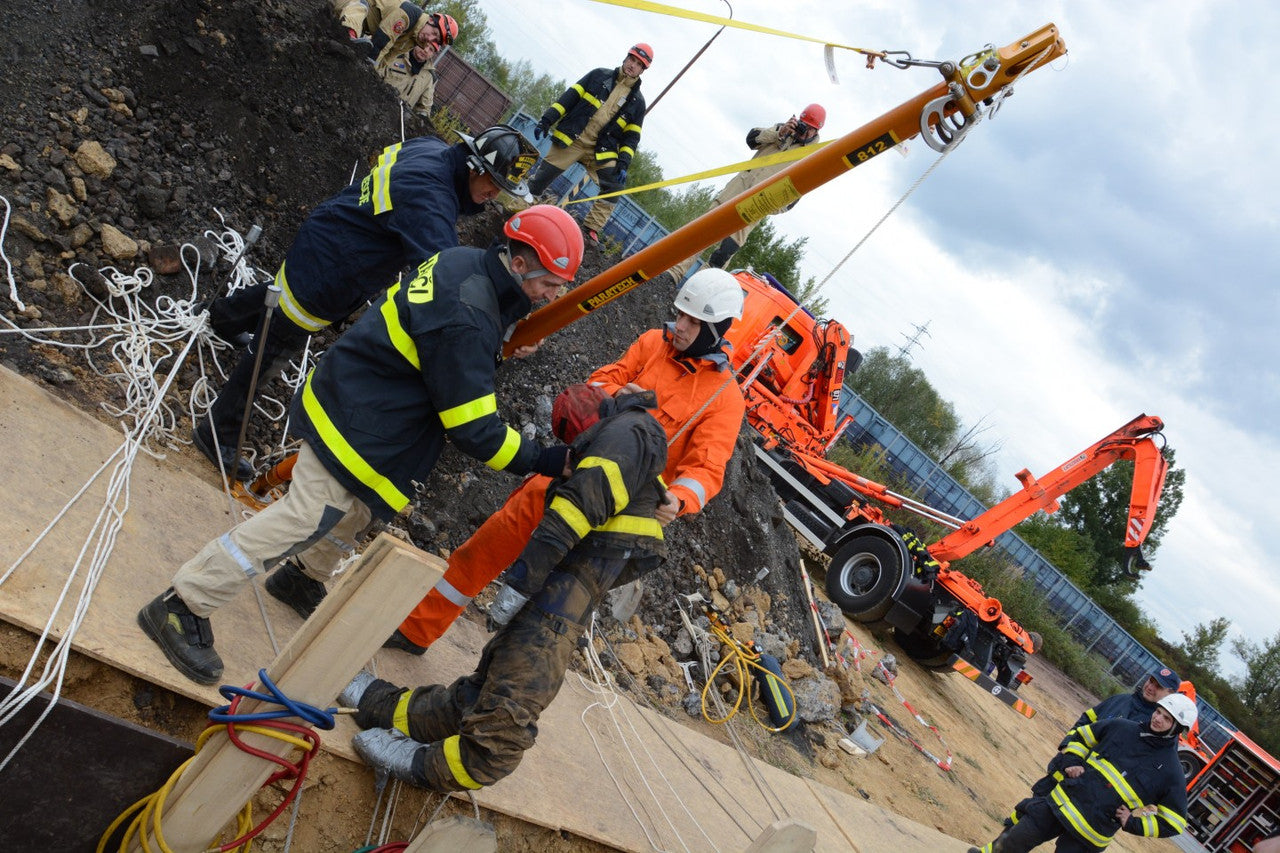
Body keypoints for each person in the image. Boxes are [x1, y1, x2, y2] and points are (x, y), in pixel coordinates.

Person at [138, 206, 584, 686]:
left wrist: (502, 337)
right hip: (356, 417)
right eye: (550, 283)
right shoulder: (471, 318)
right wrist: (545, 459)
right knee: (307, 515)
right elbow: (474, 429)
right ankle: (183, 602)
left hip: (369, 405)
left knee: (357, 513)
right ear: (519, 264)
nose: (553, 295)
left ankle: (301, 577)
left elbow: (447, 344)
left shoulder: (466, 264)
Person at [386, 267, 747, 655]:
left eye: (695, 321)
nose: (681, 326)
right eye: (681, 315)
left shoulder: (723, 399)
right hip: (569, 477)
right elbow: (597, 384)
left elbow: (706, 468)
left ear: (719, 328)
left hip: (617, 514)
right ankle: (415, 631)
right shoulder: (652, 344)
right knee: (482, 551)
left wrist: (678, 500)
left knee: (551, 610)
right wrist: (620, 399)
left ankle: (495, 693)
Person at [342, 383, 669, 793]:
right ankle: (383, 706)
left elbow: (492, 752)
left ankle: (411, 744)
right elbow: (469, 706)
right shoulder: (631, 442)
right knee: (478, 696)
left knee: (501, 711)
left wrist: (414, 761)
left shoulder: (627, 436)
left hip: (556, 606)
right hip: (558, 594)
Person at [195, 126, 538, 481]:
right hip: (333, 266)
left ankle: (222, 318)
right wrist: (505, 318)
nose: (494, 194)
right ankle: (217, 432)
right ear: (473, 165)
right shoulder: (431, 199)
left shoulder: (431, 150)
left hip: (334, 233)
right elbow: (445, 280)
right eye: (493, 182)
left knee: (280, 301)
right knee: (275, 344)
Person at [968, 692, 1197, 853]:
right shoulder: (1122, 728)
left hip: (1090, 835)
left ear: (1178, 729)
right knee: (1012, 843)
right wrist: (1072, 760)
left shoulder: (1171, 771)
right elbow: (1081, 736)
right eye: (1158, 712)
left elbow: (1175, 821)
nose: (1157, 719)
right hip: (1060, 804)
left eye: (1167, 718)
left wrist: (1132, 824)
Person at [666, 104, 826, 284]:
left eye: (807, 128)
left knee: (724, 253)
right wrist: (779, 133)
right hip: (733, 192)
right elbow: (752, 139)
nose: (802, 130)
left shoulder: (810, 157)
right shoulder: (780, 131)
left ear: (815, 131)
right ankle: (672, 274)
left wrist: (765, 205)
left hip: (753, 209)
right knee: (700, 233)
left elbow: (791, 201)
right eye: (801, 124)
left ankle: (695, 289)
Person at [526, 44, 652, 243]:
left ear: (643, 70)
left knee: (615, 185)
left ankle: (591, 229)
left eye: (639, 64)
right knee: (542, 177)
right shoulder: (598, 76)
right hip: (573, 139)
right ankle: (526, 202)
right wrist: (547, 120)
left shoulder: (638, 102)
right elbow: (569, 98)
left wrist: (624, 163)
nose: (633, 66)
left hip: (601, 151)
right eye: (632, 59)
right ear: (625, 58)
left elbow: (632, 137)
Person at [1027, 667, 1182, 801]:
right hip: (1064, 772)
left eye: (1158, 686)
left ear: (1171, 694)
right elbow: (1085, 721)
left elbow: (1151, 774)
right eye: (1151, 680)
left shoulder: (1161, 731)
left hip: (1092, 799)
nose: (1150, 687)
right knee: (1025, 820)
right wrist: (1069, 751)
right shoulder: (1120, 700)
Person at [331, 2, 458, 116]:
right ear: (431, 20)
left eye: (435, 40)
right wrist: (364, 69)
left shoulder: (414, 39)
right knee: (360, 6)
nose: (430, 40)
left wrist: (371, 76)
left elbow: (388, 57)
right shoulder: (408, 14)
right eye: (434, 33)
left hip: (363, 23)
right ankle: (348, 37)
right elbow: (381, 42)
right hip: (351, 5)